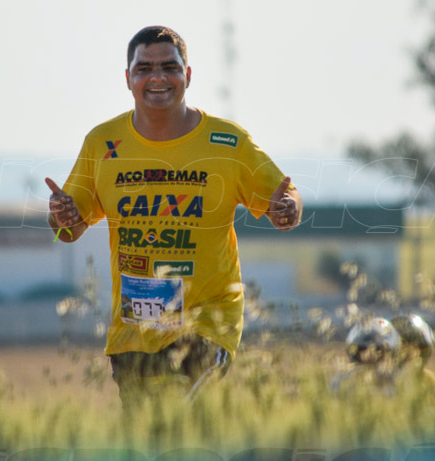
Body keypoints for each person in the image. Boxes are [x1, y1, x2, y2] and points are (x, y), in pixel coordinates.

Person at [46, 25, 302, 404]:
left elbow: (285, 195)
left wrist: (289, 209)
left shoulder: (228, 142)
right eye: (145, 69)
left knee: (183, 413)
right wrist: (61, 216)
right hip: (135, 330)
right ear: (128, 78)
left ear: (188, 75)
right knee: (149, 448)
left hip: (208, 320)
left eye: (170, 67)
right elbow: (70, 224)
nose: (158, 78)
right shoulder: (102, 143)